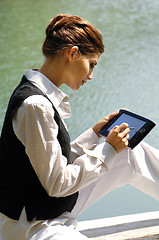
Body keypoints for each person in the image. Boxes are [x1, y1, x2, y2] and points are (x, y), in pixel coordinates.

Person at [0, 14, 158, 240]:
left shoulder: (40, 93)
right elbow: (57, 183)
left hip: (50, 207)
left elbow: (51, 164)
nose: (91, 75)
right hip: (33, 225)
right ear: (73, 53)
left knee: (131, 153)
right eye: (91, 64)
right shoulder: (36, 105)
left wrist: (94, 136)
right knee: (115, 152)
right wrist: (108, 149)